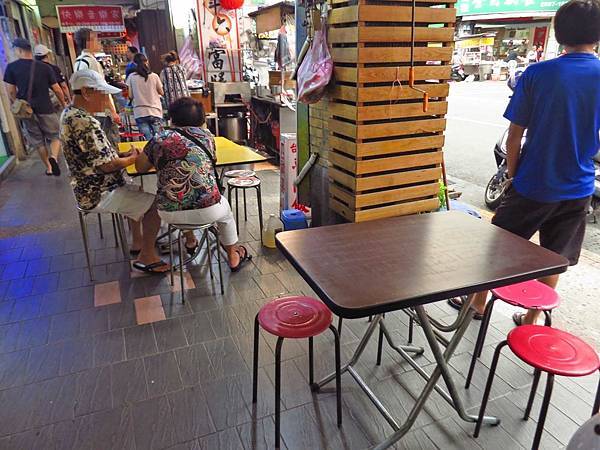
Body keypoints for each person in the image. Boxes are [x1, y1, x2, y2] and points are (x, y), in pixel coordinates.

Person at [449, 0, 600, 325]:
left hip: (534, 184)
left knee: (497, 245)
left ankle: (477, 302)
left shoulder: (538, 74)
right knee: (554, 256)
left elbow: (514, 136)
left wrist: (513, 176)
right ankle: (531, 318)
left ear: (559, 34)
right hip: (579, 187)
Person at [60, 69, 169, 273]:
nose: (106, 99)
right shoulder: (84, 121)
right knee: (155, 205)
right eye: (102, 93)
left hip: (87, 188)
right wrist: (132, 159)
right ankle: (147, 256)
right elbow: (106, 166)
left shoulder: (69, 113)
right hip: (98, 192)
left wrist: (123, 155)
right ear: (86, 92)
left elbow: (97, 156)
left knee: (135, 190)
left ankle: (138, 243)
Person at [135, 97, 251, 271]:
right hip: (209, 210)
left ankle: (190, 240)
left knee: (180, 195)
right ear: (201, 120)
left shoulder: (159, 139)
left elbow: (140, 167)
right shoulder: (208, 137)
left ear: (171, 118)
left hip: (168, 213)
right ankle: (233, 255)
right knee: (225, 211)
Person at [3, 38, 67, 176]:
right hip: (46, 107)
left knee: (38, 141)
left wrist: (18, 103)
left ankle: (49, 167)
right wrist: (64, 104)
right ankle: (54, 157)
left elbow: (11, 91)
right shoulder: (45, 67)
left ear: (19, 50)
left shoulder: (11, 67)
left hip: (27, 111)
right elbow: (57, 89)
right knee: (55, 136)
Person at [73, 28, 121, 144]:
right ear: (89, 42)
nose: (99, 42)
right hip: (101, 111)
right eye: (96, 40)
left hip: (88, 110)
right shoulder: (91, 61)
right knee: (109, 144)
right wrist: (112, 111)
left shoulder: (78, 61)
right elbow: (101, 89)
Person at [126, 53, 164, 140]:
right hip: (155, 111)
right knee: (159, 138)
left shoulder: (131, 77)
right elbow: (161, 92)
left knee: (148, 140)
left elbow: (130, 95)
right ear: (146, 62)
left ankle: (150, 152)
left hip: (140, 112)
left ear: (134, 63)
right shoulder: (154, 76)